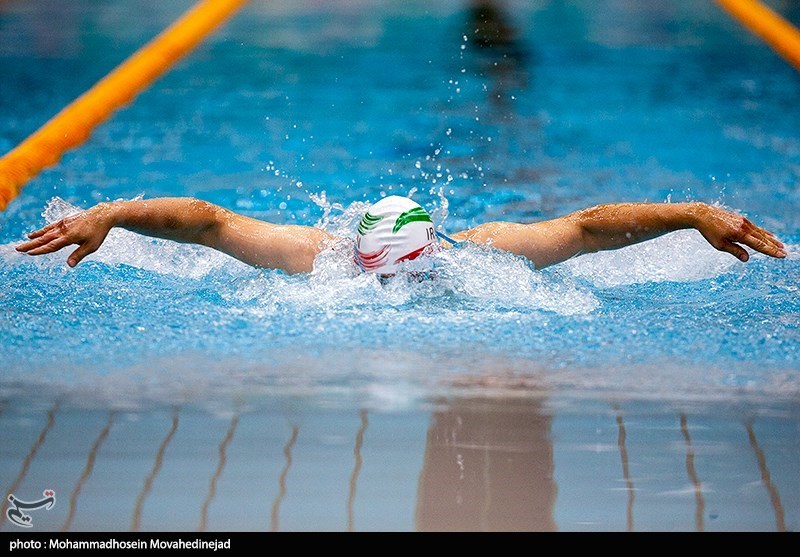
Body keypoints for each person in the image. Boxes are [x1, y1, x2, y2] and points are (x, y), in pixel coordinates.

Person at [15, 195, 786, 276]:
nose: (385, 288)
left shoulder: (478, 255)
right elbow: (214, 223)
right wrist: (112, 212)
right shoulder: (319, 258)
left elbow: (585, 230)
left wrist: (692, 212)